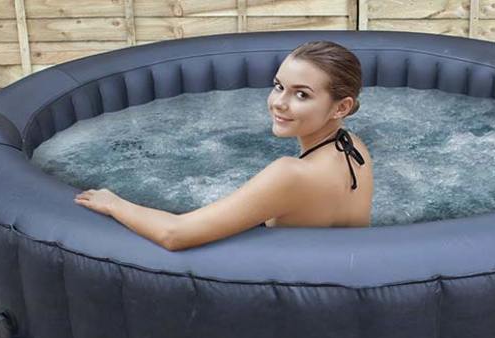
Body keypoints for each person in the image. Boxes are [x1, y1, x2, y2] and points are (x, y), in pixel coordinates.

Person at [74, 40, 373, 251]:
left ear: (341, 107)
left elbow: (174, 235)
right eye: (279, 86)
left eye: (302, 94)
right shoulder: (354, 148)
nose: (278, 103)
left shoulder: (291, 174)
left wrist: (114, 204)